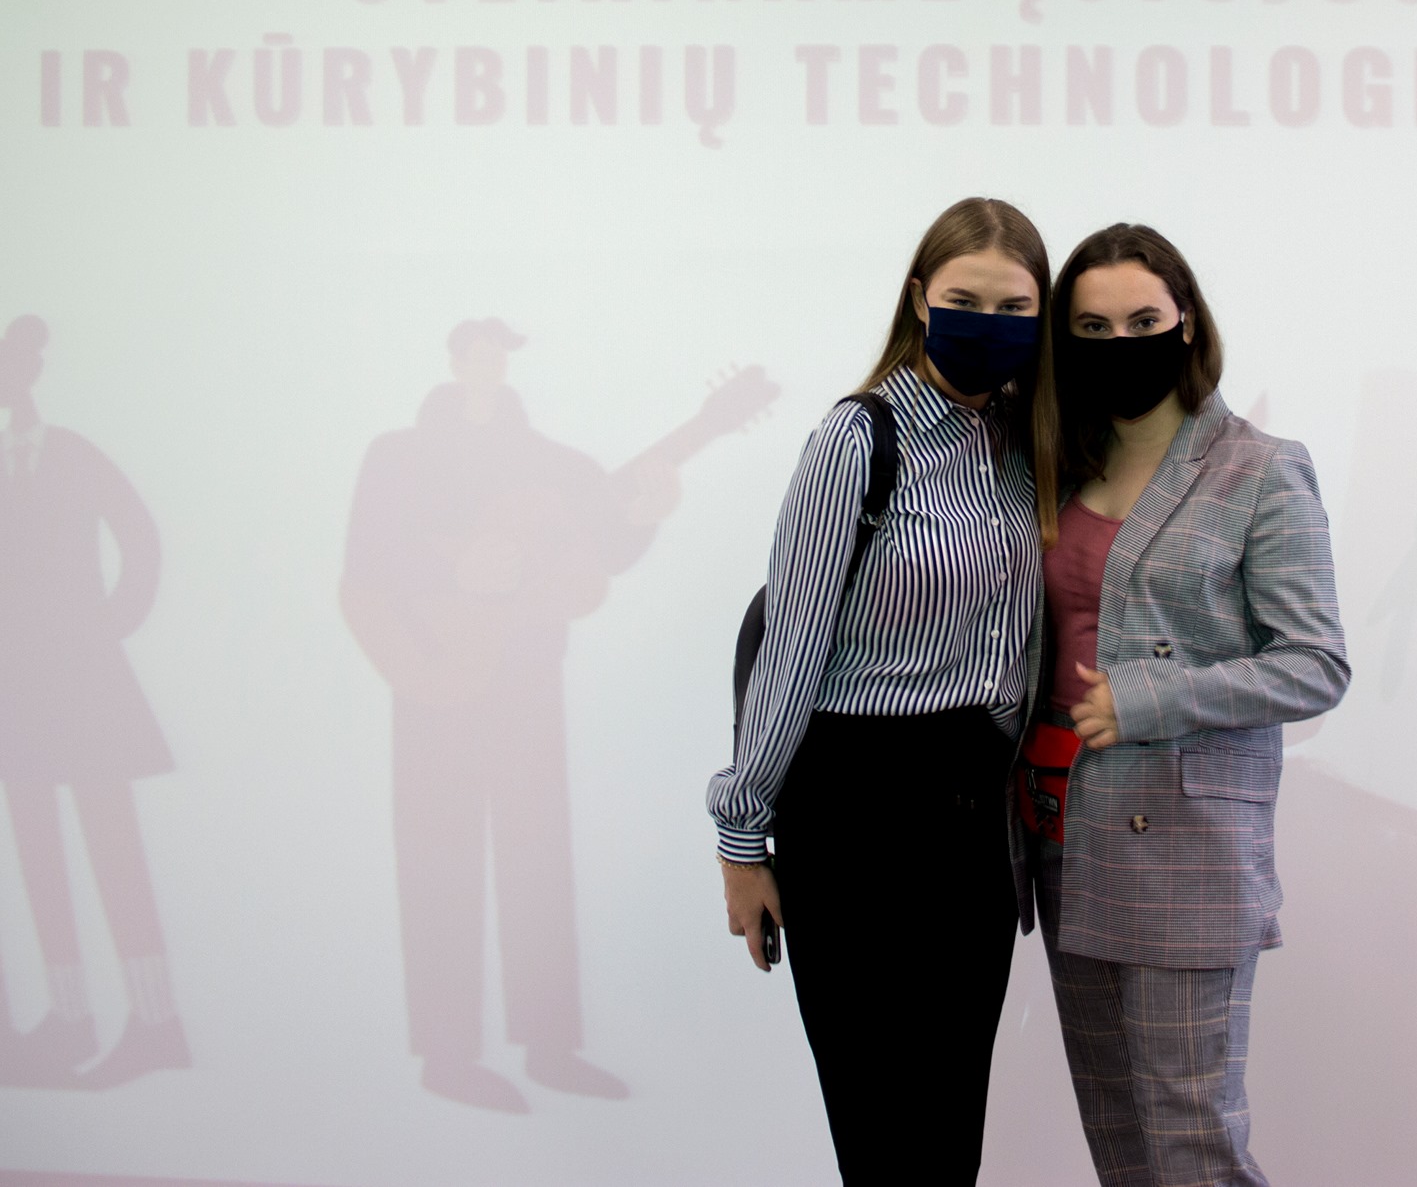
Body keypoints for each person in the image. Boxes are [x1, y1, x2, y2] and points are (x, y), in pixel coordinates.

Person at [707, 197, 1060, 1186]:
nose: (987, 324)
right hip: (855, 819)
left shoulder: (1016, 447)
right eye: (964, 300)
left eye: (1013, 306)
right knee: (883, 1144)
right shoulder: (858, 440)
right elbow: (790, 646)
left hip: (973, 838)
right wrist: (742, 839)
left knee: (947, 1143)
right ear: (918, 299)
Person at [1021, 224, 1349, 1187]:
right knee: (1118, 1137)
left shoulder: (1260, 467)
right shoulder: (1057, 462)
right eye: (1092, 327)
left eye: (1142, 320)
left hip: (1184, 849)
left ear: (1187, 320)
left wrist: (1152, 696)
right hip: (1061, 837)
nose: (1120, 343)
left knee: (1192, 1142)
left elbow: (1315, 663)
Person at [340, 317, 683, 1112]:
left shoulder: (552, 461)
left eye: (500, 349)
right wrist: (453, 571)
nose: (488, 361)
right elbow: (368, 561)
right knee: (438, 855)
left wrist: (643, 513)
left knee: (539, 852)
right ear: (454, 357)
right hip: (432, 675)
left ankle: (551, 1045)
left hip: (527, 673)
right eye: (477, 347)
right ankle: (446, 1054)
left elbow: (602, 545)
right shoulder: (396, 456)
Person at [0, 314, 188, 1090]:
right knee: (37, 846)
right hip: (13, 686)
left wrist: (109, 623)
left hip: (83, 680)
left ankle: (156, 1022)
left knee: (112, 843)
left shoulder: (70, 452)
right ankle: (70, 1014)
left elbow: (139, 535)